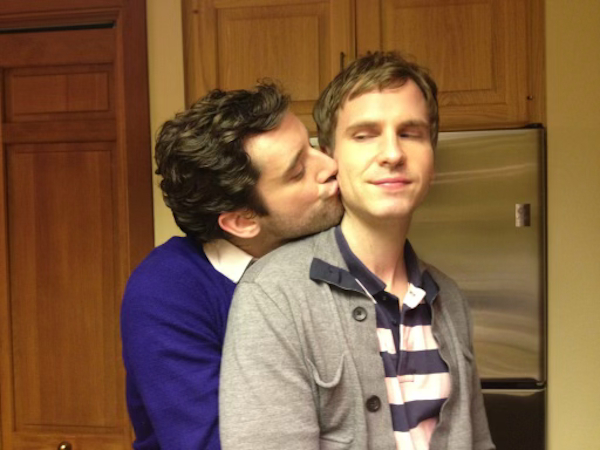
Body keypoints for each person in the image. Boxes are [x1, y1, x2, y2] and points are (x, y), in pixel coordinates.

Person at [219, 53, 495, 450]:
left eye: (410, 133)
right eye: (364, 135)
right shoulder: (274, 297)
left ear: (432, 158)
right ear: (332, 157)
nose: (392, 153)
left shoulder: (448, 298)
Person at [120, 83, 343, 449]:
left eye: (313, 145)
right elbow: (212, 442)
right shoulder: (164, 292)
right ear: (242, 221)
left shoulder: (330, 251)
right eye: (299, 171)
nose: (331, 166)